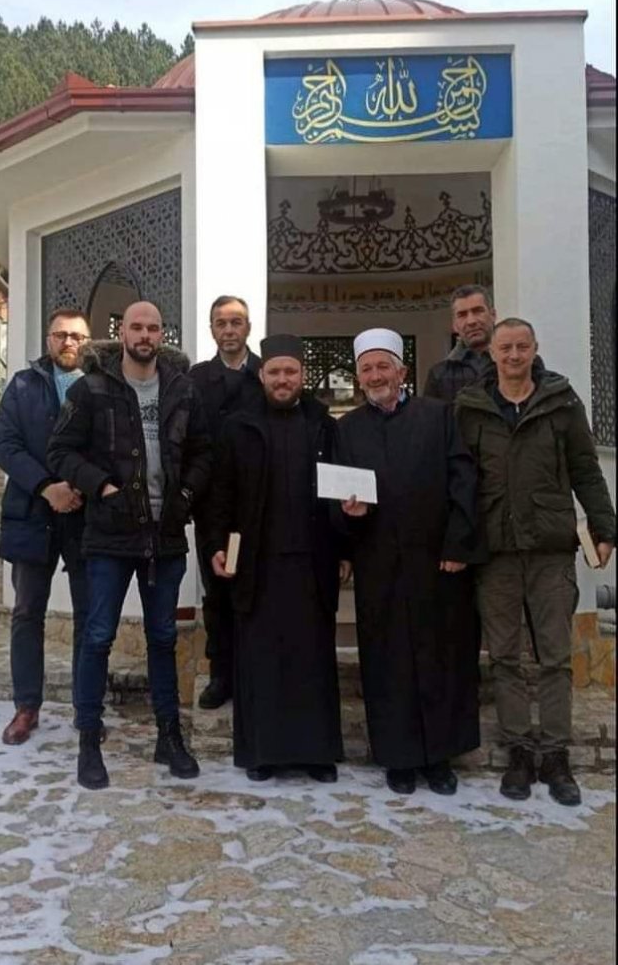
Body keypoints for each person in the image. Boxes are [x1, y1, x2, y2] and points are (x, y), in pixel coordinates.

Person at [46, 301, 212, 789]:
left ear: (162, 334)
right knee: (98, 636)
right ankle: (89, 741)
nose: (144, 335)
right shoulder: (92, 388)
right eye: (136, 327)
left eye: (153, 328)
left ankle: (169, 736)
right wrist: (102, 487)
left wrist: (186, 495)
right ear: (122, 333)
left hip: (165, 535)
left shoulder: (183, 390)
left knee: (163, 637)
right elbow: (60, 451)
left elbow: (204, 452)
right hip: (110, 535)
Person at [456, 318, 615, 806]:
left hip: (550, 548)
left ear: (534, 348)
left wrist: (605, 527)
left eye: (522, 346)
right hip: (496, 551)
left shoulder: (561, 403)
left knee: (554, 657)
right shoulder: (471, 408)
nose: (513, 355)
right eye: (505, 347)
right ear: (492, 352)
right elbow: (459, 477)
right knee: (505, 657)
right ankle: (519, 751)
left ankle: (555, 754)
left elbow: (585, 468)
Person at [337, 328, 482, 796]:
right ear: (358, 377)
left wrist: (458, 546)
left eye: (384, 366)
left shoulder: (438, 416)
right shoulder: (347, 429)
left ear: (402, 371)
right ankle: (397, 757)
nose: (376, 375)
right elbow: (337, 499)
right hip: (379, 565)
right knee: (388, 662)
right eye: (367, 369)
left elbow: (463, 482)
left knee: (440, 657)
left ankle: (439, 757)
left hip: (435, 564)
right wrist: (349, 516)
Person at [208, 334, 345, 782]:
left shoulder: (324, 425)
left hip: (311, 562)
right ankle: (262, 754)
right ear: (262, 375)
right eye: (274, 372)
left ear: (302, 375)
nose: (282, 379)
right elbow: (221, 493)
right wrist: (217, 546)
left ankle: (317, 755)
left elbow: (340, 490)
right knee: (262, 662)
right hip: (258, 564)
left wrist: (344, 549)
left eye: (290, 372)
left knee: (312, 661)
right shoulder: (239, 425)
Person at [0, 307, 91, 746]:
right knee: (27, 612)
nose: (69, 342)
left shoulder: (102, 385)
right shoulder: (23, 385)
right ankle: (26, 707)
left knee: (90, 615)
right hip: (31, 514)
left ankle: (86, 708)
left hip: (85, 516)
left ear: (88, 341)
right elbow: (6, 446)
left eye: (77, 336)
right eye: (60, 335)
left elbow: (112, 446)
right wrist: (47, 487)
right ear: (48, 339)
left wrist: (82, 486)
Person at [189, 296, 264, 709]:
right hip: (214, 507)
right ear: (212, 330)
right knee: (218, 593)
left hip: (262, 505)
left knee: (259, 591)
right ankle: (221, 674)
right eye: (221, 322)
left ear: (248, 327)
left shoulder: (266, 373)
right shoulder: (197, 379)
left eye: (237, 322)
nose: (229, 329)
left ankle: (256, 673)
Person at [424, 284, 496, 403]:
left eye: (478, 311)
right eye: (462, 315)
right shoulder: (439, 375)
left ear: (493, 315)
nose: (471, 321)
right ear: (454, 325)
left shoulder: (518, 362)